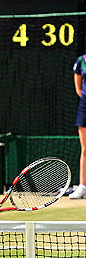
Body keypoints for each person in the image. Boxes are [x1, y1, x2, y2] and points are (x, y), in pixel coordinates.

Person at [70, 53, 86, 199]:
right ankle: (82, 186)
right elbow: (78, 89)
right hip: (85, 107)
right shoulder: (82, 61)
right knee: (85, 148)